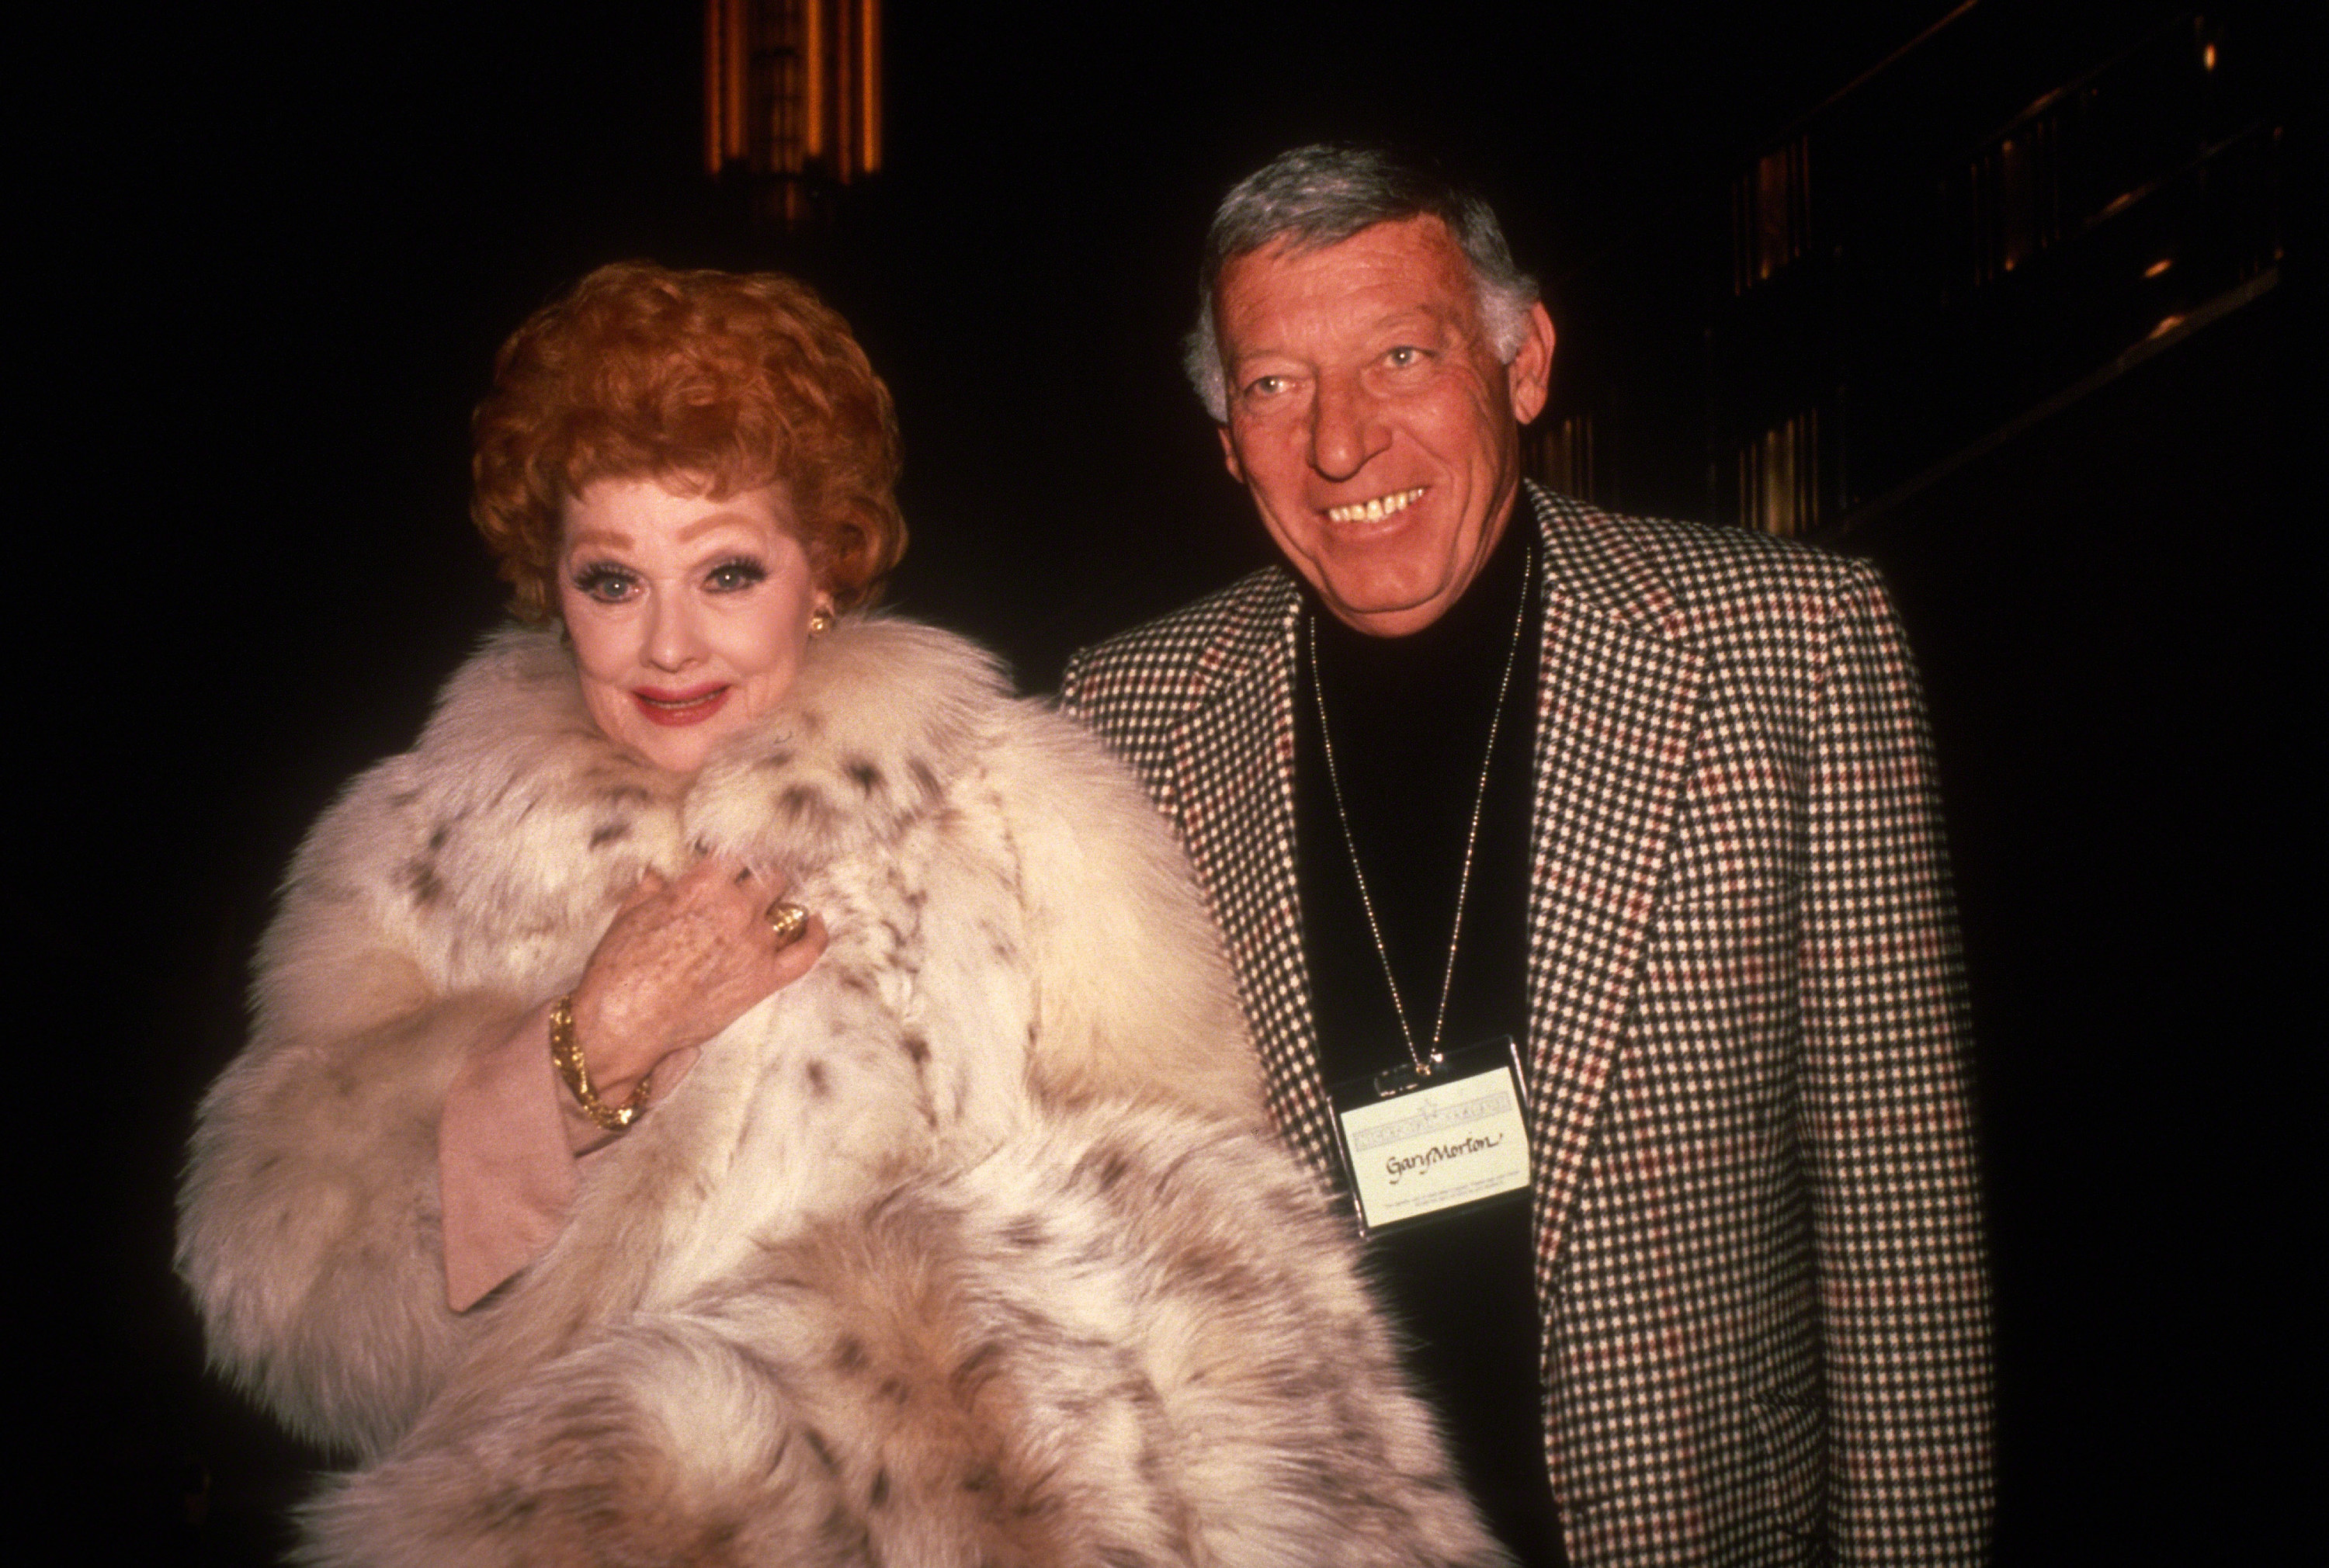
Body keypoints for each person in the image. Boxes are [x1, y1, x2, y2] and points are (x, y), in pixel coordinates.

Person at [176, 262, 1504, 1566]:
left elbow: (1221, 1256)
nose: (670, 645)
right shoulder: (422, 851)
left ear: (823, 570)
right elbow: (286, 1314)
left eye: (728, 573)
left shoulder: (1012, 805)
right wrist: (582, 1054)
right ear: (550, 588)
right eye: (613, 580)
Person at [1061, 145, 1994, 1566]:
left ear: (1525, 362)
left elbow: (1901, 1222)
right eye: (1274, 384)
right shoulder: (1124, 716)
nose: (1339, 442)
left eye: (1400, 355)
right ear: (1223, 429)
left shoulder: (1789, 650)